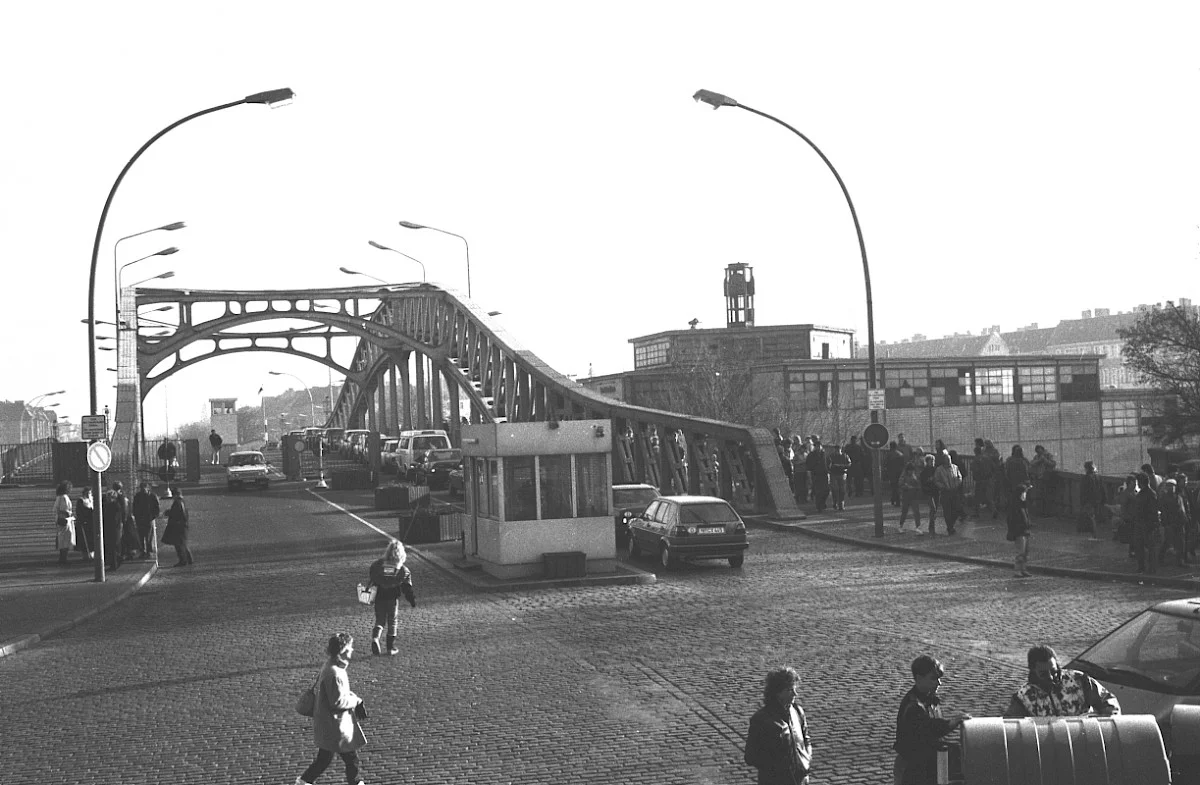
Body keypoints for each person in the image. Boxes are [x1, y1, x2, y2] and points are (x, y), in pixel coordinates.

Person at [295, 632, 366, 785]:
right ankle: (355, 782)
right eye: (350, 647)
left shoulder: (331, 666)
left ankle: (304, 781)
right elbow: (338, 702)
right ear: (343, 650)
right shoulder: (335, 673)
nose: (352, 650)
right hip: (336, 726)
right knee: (351, 759)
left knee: (324, 758)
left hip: (329, 723)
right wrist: (356, 701)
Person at [893, 655, 971, 785]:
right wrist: (951, 723)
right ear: (919, 678)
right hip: (911, 768)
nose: (938, 683)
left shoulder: (929, 698)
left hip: (925, 763)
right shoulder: (913, 706)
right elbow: (929, 728)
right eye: (933, 679)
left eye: (939, 678)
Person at [1004, 645, 1120, 718]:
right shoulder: (1024, 697)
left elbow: (1108, 702)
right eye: (1043, 674)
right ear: (1033, 672)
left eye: (1053, 671)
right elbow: (1012, 726)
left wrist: (1104, 727)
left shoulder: (1079, 680)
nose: (1050, 677)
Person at [744, 666, 812, 785]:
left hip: (801, 779)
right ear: (778, 693)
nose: (795, 693)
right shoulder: (762, 720)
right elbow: (751, 756)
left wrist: (806, 763)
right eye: (790, 690)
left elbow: (806, 741)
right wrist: (778, 769)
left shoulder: (798, 711)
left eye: (795, 689)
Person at [367, 540, 417, 656]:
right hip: (392, 598)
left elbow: (372, 576)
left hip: (379, 597)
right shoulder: (402, 570)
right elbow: (407, 587)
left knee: (380, 620)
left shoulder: (378, 565)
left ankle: (375, 638)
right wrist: (412, 600)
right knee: (392, 622)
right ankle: (390, 647)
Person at [1134, 472, 1163, 575]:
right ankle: (1143, 567)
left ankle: (1150, 568)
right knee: (1141, 547)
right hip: (1142, 523)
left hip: (1147, 524)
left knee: (1150, 548)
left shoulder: (1149, 494)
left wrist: (1152, 524)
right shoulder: (1148, 493)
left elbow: (1153, 511)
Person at [1158, 479, 1189, 566]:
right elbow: (1163, 512)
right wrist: (1166, 523)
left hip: (1180, 522)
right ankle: (1160, 558)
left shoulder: (1178, 496)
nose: (1171, 488)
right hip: (1170, 523)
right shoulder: (1164, 498)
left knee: (1180, 542)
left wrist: (1185, 518)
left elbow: (1182, 509)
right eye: (1169, 486)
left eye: (1172, 486)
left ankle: (1180, 560)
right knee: (1167, 541)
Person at [160, 485, 193, 567]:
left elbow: (177, 513)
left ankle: (183, 560)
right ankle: (189, 559)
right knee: (183, 543)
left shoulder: (178, 502)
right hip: (182, 526)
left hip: (179, 526)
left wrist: (168, 513)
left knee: (179, 544)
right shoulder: (182, 501)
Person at [1006, 483, 1032, 577]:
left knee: (1026, 552)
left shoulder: (1023, 504)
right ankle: (1017, 570)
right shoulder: (1015, 506)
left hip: (1026, 531)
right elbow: (1011, 520)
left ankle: (1023, 569)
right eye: (1024, 493)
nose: (1025, 495)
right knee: (1020, 552)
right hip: (1019, 531)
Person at [131, 481, 161, 561]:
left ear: (147, 488)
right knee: (140, 536)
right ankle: (142, 551)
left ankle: (148, 551)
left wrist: (153, 516)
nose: (143, 489)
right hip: (140, 519)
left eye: (144, 488)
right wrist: (136, 516)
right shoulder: (137, 496)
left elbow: (156, 507)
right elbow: (134, 507)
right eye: (141, 488)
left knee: (148, 536)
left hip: (148, 519)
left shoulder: (152, 496)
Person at [101, 482, 128, 572]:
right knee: (114, 546)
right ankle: (115, 562)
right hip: (114, 528)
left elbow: (114, 518)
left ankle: (115, 564)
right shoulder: (113, 505)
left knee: (114, 546)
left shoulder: (114, 506)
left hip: (113, 529)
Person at [933, 454, 962, 535]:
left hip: (954, 491)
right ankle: (950, 527)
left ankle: (951, 524)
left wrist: (957, 483)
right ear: (944, 460)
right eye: (947, 459)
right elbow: (936, 480)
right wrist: (942, 486)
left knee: (956, 509)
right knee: (947, 511)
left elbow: (959, 476)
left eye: (949, 459)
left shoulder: (955, 467)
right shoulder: (939, 469)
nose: (948, 461)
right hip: (945, 492)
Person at [898, 455, 925, 535]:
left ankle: (918, 527)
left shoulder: (915, 475)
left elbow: (918, 484)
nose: (911, 472)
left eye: (912, 470)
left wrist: (917, 487)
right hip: (906, 496)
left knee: (916, 512)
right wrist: (906, 487)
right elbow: (900, 484)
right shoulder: (904, 476)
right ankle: (900, 526)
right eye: (910, 470)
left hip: (914, 496)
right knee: (904, 512)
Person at [1078, 461, 1105, 538]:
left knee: (1091, 516)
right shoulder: (1098, 477)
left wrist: (1083, 502)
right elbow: (1102, 489)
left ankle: (1094, 534)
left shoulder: (1085, 478)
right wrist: (1103, 499)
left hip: (1089, 501)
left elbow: (1084, 491)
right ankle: (1095, 534)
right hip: (1098, 500)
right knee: (1095, 516)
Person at [53, 480, 75, 565]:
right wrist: (70, 515)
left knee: (62, 539)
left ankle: (62, 557)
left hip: (60, 520)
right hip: (65, 520)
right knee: (66, 539)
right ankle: (63, 558)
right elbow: (64, 509)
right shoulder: (64, 497)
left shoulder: (59, 497)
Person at [805, 437, 830, 512]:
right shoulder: (811, 455)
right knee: (818, 491)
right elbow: (808, 465)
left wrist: (828, 471)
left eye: (819, 446)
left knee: (826, 491)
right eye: (816, 446)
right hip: (816, 474)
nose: (818, 447)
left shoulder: (824, 454)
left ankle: (822, 502)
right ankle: (819, 506)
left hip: (824, 474)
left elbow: (828, 463)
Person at [919, 454, 940, 534]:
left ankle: (932, 521)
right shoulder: (924, 472)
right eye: (931, 461)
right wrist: (929, 480)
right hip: (928, 492)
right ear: (927, 462)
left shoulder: (936, 470)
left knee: (935, 509)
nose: (932, 462)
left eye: (933, 461)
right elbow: (922, 482)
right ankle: (931, 524)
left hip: (936, 491)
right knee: (933, 507)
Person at [828, 443, 851, 511]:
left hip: (842, 474)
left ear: (841, 449)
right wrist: (831, 467)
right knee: (835, 490)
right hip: (834, 474)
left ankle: (841, 504)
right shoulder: (831, 456)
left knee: (842, 490)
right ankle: (835, 502)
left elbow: (849, 464)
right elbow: (828, 465)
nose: (837, 451)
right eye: (836, 449)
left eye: (838, 449)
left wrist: (842, 466)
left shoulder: (845, 456)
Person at [75, 485, 95, 561]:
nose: (88, 494)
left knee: (91, 539)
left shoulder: (92, 500)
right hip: (84, 523)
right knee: (84, 539)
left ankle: (92, 554)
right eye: (87, 493)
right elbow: (79, 512)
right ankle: (85, 555)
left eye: (89, 493)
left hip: (91, 523)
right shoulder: (81, 500)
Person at [886, 441, 906, 507]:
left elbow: (886, 464)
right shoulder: (900, 454)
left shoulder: (889, 454)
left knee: (894, 487)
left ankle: (895, 500)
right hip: (900, 472)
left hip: (892, 473)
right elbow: (903, 464)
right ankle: (895, 500)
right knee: (898, 487)